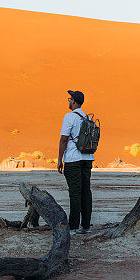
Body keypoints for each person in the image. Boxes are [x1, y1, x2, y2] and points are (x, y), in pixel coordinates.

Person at [57, 89, 94, 234]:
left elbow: (64, 139)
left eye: (70, 99)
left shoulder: (69, 117)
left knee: (75, 192)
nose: (69, 101)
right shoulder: (87, 117)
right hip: (87, 159)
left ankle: (73, 227)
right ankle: (86, 226)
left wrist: (60, 159)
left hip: (73, 159)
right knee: (86, 192)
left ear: (74, 101)